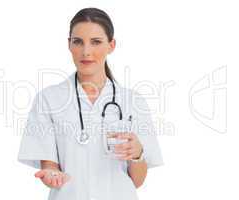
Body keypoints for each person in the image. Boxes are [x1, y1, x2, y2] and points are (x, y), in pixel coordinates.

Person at [17, 7, 164, 200]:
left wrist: (137, 154)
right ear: (69, 45)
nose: (86, 51)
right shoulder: (49, 99)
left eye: (96, 42)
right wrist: (52, 175)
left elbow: (137, 181)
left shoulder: (133, 101)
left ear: (111, 45)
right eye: (78, 42)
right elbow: (49, 166)